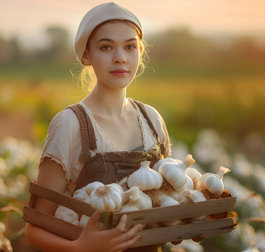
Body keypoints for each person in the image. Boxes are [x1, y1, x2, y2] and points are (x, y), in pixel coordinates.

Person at [24, 2, 171, 251]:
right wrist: (82, 247)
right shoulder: (69, 124)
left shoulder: (152, 120)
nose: (120, 58)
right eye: (106, 47)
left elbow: (170, 201)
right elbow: (34, 229)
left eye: (129, 47)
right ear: (86, 55)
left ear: (139, 51)